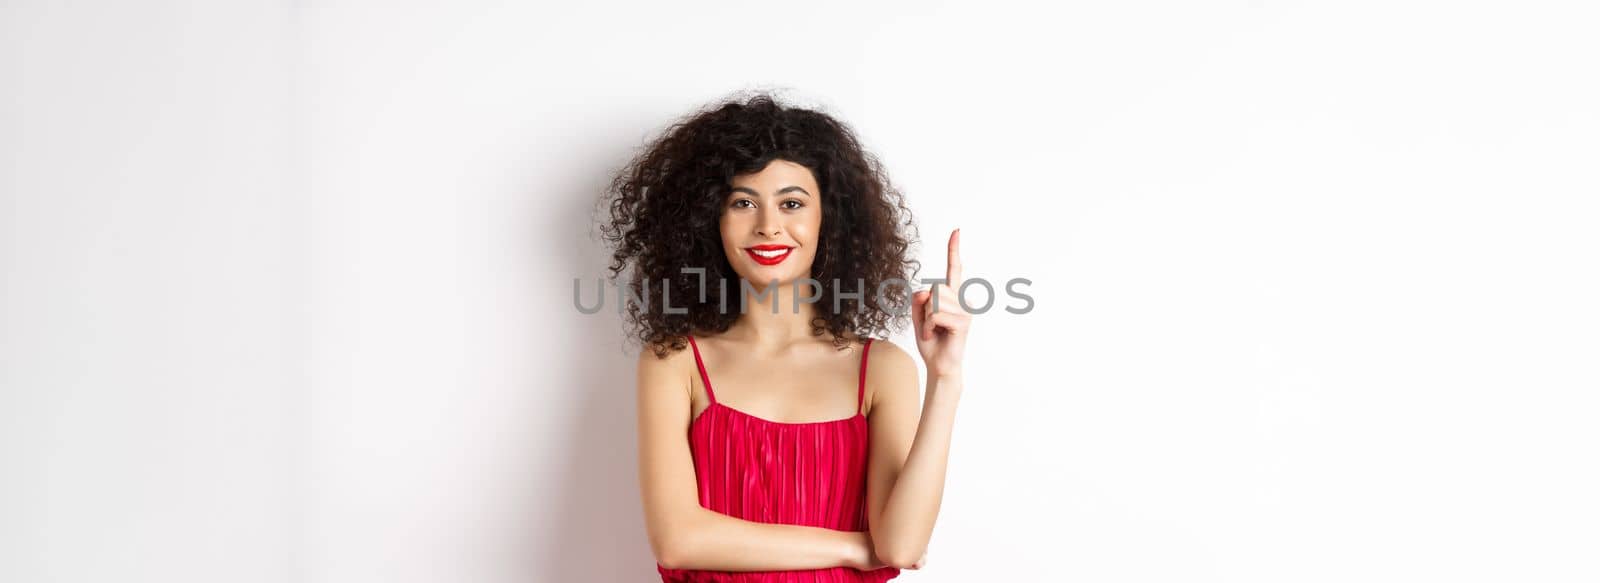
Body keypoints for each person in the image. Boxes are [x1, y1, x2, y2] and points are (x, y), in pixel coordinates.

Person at [600, 92, 970, 581]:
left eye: (791, 203)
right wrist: (855, 549)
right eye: (743, 203)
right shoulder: (676, 361)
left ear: (829, 219)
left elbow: (900, 545)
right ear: (710, 219)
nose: (768, 226)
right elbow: (678, 540)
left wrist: (945, 378)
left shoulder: (881, 369)